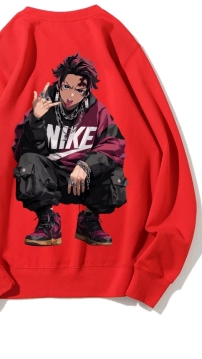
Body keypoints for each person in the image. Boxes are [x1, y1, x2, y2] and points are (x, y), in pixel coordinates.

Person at [11, 53, 128, 246]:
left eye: (79, 90)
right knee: (28, 161)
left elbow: (115, 144)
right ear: (59, 84)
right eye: (67, 87)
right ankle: (47, 221)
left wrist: (87, 165)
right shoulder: (42, 107)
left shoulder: (98, 111)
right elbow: (22, 152)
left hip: (84, 180)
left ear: (87, 91)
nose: (71, 95)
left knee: (113, 169)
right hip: (51, 178)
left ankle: (89, 220)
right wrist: (36, 120)